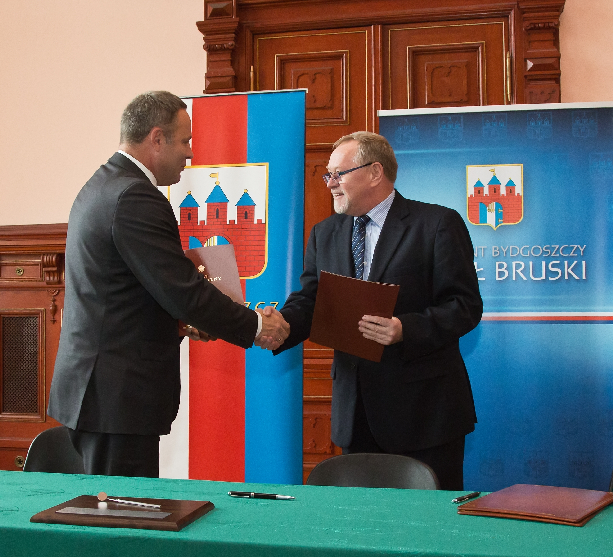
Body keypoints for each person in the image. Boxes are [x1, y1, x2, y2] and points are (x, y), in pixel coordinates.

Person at [47, 91, 289, 477]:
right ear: (157, 138)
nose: (190, 153)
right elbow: (182, 291)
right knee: (122, 511)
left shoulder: (103, 184)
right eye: (185, 141)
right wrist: (257, 325)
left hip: (102, 393)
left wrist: (180, 323)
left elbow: (127, 290)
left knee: (109, 507)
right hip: (116, 399)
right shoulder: (135, 196)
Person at [269, 131, 482, 490]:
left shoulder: (436, 224)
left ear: (374, 172)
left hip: (424, 415)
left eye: (339, 174)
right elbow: (311, 300)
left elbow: (464, 306)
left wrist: (405, 329)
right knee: (362, 519)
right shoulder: (324, 233)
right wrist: (280, 324)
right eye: (328, 175)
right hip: (356, 415)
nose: (330, 183)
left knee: (427, 520)